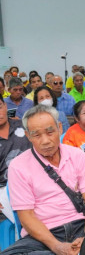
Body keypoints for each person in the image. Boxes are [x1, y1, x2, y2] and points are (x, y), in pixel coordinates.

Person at [2, 105, 85, 255]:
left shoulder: (77, 155)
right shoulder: (18, 166)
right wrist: (56, 246)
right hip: (44, 235)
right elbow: (26, 216)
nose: (45, 141)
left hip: (82, 226)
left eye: (50, 132)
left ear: (59, 128)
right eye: (37, 135)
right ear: (28, 136)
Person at [0, 94, 32, 223]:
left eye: (0, 107)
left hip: (33, 181)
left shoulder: (23, 126)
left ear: (5, 106)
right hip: (4, 190)